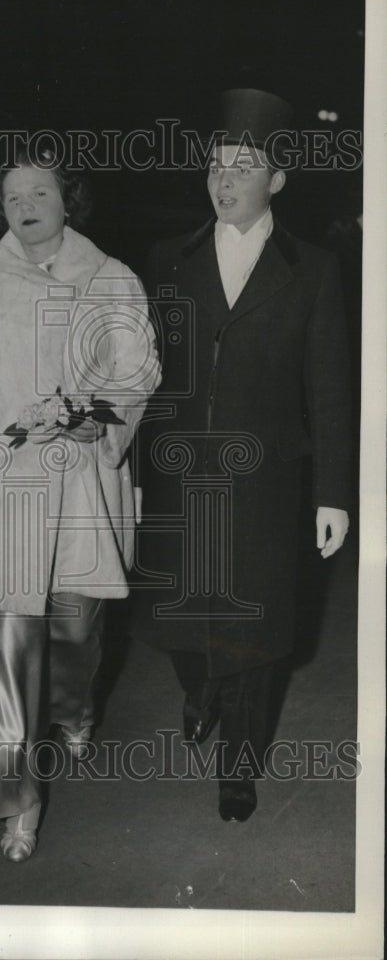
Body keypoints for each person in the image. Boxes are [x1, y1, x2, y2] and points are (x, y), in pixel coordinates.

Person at [0, 144, 161, 861]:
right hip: (6, 489)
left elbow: (138, 370)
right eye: (13, 196)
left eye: (39, 192)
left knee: (72, 633)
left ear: (68, 202)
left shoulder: (111, 280)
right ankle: (13, 798)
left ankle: (74, 708)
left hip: (84, 482)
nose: (25, 205)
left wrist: (102, 415)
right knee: (7, 647)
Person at [135, 89, 352, 822]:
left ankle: (239, 765)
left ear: (277, 181)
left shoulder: (315, 270)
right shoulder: (168, 260)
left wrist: (333, 493)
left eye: (241, 167)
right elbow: (145, 374)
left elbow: (329, 387)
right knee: (182, 628)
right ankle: (199, 689)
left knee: (254, 634)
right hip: (178, 480)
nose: (222, 181)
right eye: (214, 166)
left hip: (266, 483)